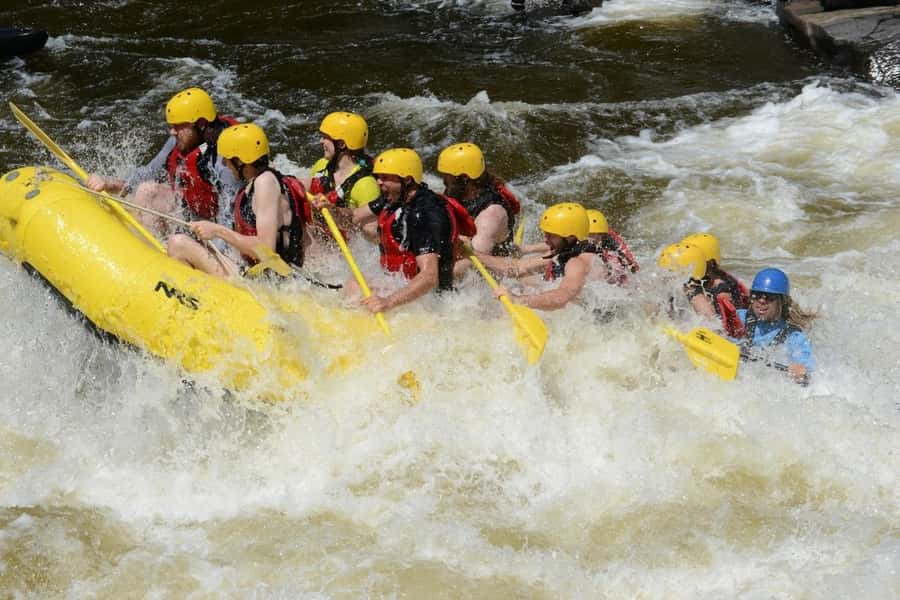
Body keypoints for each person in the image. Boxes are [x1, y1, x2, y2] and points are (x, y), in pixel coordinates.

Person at [321, 148, 475, 314]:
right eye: (378, 177)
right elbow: (353, 217)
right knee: (354, 284)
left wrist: (387, 303)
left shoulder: (424, 214)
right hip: (402, 284)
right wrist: (330, 210)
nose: (378, 182)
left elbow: (429, 277)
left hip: (430, 301)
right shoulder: (394, 198)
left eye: (385, 178)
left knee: (355, 287)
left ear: (407, 180)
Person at [86, 87, 240, 234]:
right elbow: (146, 174)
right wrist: (107, 183)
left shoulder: (225, 162)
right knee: (147, 191)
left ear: (200, 124)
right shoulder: (180, 141)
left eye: (177, 126)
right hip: (193, 213)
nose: (172, 131)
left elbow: (229, 219)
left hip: (215, 226)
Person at [166, 123, 310, 278]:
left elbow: (267, 250)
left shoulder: (265, 183)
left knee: (178, 243)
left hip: (271, 283)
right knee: (193, 244)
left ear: (242, 161)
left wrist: (217, 231)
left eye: (228, 159)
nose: (223, 163)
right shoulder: (256, 183)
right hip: (258, 276)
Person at [479, 202, 598, 310]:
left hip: (585, 316)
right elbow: (518, 268)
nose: (545, 240)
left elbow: (562, 298)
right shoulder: (568, 249)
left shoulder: (577, 263)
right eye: (545, 234)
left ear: (570, 236)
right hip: (572, 303)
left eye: (550, 235)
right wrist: (474, 254)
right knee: (522, 276)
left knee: (522, 279)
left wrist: (517, 299)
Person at [306, 111, 381, 239]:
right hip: (322, 234)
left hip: (348, 243)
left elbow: (372, 234)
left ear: (341, 144)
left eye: (325, 137)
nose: (321, 141)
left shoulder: (366, 185)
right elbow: (304, 187)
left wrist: (333, 210)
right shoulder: (322, 165)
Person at [436, 142, 520, 256]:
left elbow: (469, 265)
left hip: (489, 265)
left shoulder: (490, 217)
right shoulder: (458, 190)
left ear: (465, 178)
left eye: (447, 175)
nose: (444, 180)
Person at [736, 268, 816, 383]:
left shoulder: (794, 336)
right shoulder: (739, 317)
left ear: (782, 301)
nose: (762, 301)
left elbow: (805, 367)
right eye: (757, 295)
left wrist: (801, 371)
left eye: (769, 296)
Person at [657, 241, 745, 338]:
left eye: (669, 271)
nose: (663, 277)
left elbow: (715, 329)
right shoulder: (676, 291)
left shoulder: (697, 297)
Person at [681, 231, 749, 309]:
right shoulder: (702, 277)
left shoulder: (722, 291)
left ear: (710, 262)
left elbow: (717, 319)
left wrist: (695, 297)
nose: (688, 264)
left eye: (694, 260)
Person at [586, 208, 639, 284]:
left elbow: (630, 261)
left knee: (615, 270)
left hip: (609, 251)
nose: (588, 238)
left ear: (603, 234)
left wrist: (632, 266)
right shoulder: (576, 238)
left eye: (600, 234)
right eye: (590, 235)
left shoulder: (610, 239)